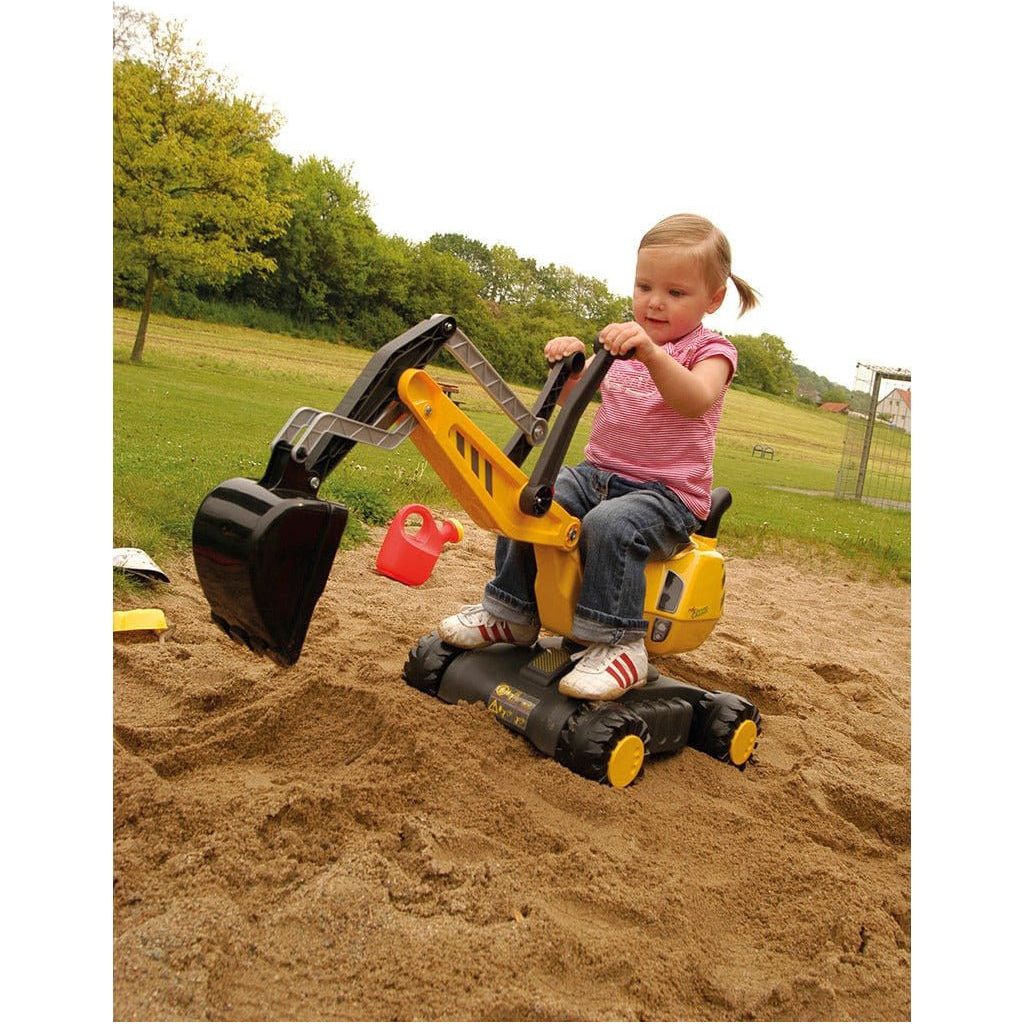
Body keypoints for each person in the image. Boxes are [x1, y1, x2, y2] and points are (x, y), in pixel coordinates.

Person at [438, 213, 758, 700]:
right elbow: (575, 393)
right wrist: (565, 365)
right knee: (532, 501)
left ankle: (620, 644)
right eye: (645, 285)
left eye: (675, 293)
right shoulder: (625, 344)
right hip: (597, 476)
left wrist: (652, 354)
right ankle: (510, 612)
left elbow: (694, 398)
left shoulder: (711, 350)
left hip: (666, 497)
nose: (655, 301)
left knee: (611, 526)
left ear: (712, 299)